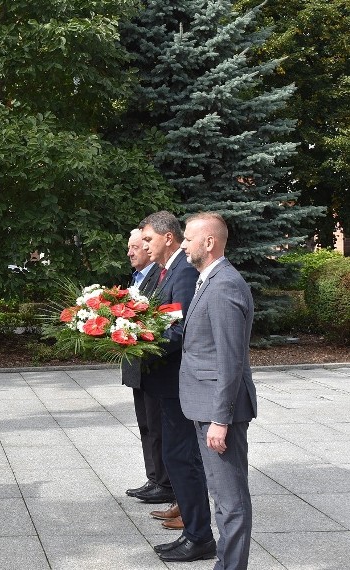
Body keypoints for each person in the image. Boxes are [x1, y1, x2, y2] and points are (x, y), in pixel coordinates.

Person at [180, 212, 257, 570]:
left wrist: (220, 420)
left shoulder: (224, 284)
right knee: (222, 497)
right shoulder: (209, 279)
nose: (182, 244)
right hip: (204, 405)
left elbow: (231, 360)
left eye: (187, 238)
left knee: (231, 501)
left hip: (217, 410)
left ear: (208, 243)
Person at [138, 211, 215, 563]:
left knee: (182, 458)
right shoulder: (167, 270)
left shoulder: (182, 271)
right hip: (165, 381)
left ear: (167, 238)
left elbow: (180, 329)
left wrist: (138, 339)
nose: (143, 246)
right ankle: (193, 528)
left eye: (149, 240)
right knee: (176, 455)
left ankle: (198, 535)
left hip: (177, 381)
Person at [121, 229, 170, 509]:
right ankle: (154, 478)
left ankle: (162, 481)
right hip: (138, 366)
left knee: (157, 426)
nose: (130, 252)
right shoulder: (136, 277)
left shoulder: (158, 275)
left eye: (136, 246)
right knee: (145, 425)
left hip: (154, 365)